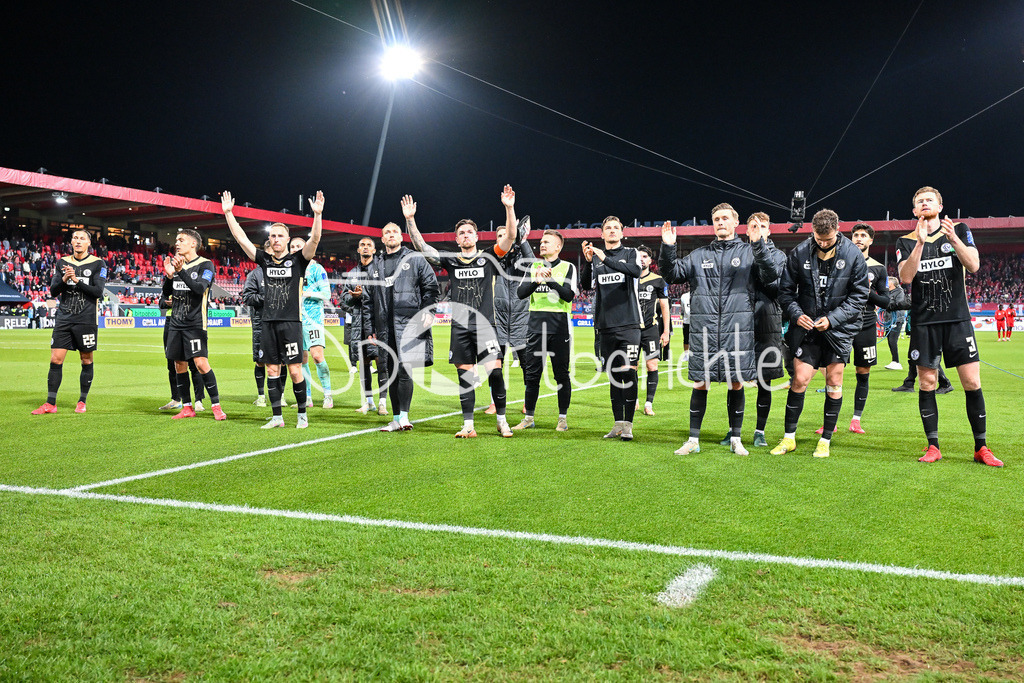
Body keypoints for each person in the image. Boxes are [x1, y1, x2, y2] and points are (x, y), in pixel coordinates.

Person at [659, 205, 780, 456]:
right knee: (700, 383)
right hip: (704, 330)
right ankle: (693, 440)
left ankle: (736, 438)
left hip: (738, 330)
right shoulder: (698, 255)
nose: (720, 222)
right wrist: (668, 248)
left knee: (736, 384)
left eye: (725, 218)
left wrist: (758, 245)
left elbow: (770, 276)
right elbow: (671, 275)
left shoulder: (750, 252)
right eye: (716, 219)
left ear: (736, 222)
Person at [896, 186, 1000, 466]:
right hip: (924, 323)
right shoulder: (905, 241)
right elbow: (905, 278)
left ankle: (981, 447)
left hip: (957, 321)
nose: (925, 203)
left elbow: (974, 265)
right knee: (927, 383)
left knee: (972, 382)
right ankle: (933, 446)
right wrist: (919, 243)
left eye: (930, 199)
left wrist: (953, 239)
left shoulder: (961, 229)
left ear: (940, 206)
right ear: (915, 211)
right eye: (919, 201)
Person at [403, 186, 518, 438]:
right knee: (465, 376)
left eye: (469, 232)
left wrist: (509, 208)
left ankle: (502, 420)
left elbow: (509, 237)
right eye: (461, 233)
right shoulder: (451, 260)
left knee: (495, 372)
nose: (465, 235)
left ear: (477, 237)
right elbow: (422, 247)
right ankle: (468, 425)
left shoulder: (489, 257)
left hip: (486, 325)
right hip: (460, 328)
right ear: (456, 240)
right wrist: (410, 220)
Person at [222, 190, 324, 429]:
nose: (276, 239)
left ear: (287, 239)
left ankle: (301, 415)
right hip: (268, 323)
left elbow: (315, 240)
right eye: (273, 235)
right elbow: (241, 239)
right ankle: (277, 417)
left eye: (280, 235)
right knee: (271, 369)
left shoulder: (299, 260)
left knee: (296, 369)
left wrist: (317, 215)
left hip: (291, 323)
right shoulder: (264, 261)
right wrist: (229, 214)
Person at [771, 209, 868, 458]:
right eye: (818, 238)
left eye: (828, 239)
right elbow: (786, 292)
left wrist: (833, 319)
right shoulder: (800, 251)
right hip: (808, 329)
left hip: (838, 330)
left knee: (834, 382)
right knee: (800, 380)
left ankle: (825, 439)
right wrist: (796, 314)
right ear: (812, 231)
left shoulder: (853, 254)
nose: (823, 243)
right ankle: (789, 438)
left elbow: (859, 296)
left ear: (837, 231)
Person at [360, 221, 440, 432]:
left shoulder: (415, 259)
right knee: (390, 371)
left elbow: (431, 287)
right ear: (382, 238)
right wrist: (369, 330)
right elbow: (367, 301)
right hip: (385, 329)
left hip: (409, 324)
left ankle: (404, 417)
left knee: (405, 370)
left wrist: (429, 311)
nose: (391, 234)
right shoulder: (374, 266)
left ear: (401, 236)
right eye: (387, 232)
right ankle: (396, 418)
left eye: (395, 231)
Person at [718, 212, 787, 448]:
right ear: (745, 230)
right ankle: (732, 430)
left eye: (763, 225)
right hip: (738, 323)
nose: (758, 228)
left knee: (764, 380)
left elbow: (776, 286)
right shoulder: (736, 254)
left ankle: (760, 431)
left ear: (769, 230)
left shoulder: (778, 256)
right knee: (733, 379)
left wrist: (759, 251)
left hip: (767, 323)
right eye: (753, 226)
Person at [32, 229, 107, 414]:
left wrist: (76, 280)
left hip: (86, 319)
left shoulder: (98, 263)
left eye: (82, 238)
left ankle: (82, 401)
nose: (78, 241)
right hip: (64, 318)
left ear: (89, 243)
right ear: (71, 242)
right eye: (75, 238)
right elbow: (53, 291)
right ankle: (50, 403)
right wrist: (65, 280)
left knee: (86, 359)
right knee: (55, 359)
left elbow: (98, 292)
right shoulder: (62, 262)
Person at [581, 216, 643, 440]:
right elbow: (586, 285)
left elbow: (635, 272)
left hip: (629, 324)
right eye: (608, 228)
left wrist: (604, 257)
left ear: (622, 232)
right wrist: (589, 262)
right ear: (601, 234)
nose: (612, 231)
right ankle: (617, 424)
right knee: (614, 375)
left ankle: (629, 425)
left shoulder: (630, 253)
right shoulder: (596, 259)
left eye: (616, 228)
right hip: (605, 326)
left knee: (628, 372)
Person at [513, 229, 578, 431]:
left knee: (561, 375)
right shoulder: (534, 267)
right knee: (532, 375)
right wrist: (536, 280)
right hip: (535, 327)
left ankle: (562, 419)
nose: (542, 245)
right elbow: (520, 293)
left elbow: (569, 295)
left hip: (559, 328)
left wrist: (549, 281)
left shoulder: (568, 268)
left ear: (558, 247)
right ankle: (529, 418)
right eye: (541, 242)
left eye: (547, 242)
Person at [159, 229, 226, 420]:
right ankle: (187, 407)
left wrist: (180, 271)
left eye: (181, 240)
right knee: (179, 364)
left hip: (195, 324)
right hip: (175, 324)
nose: (177, 244)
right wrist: (170, 276)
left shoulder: (206, 265)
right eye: (176, 240)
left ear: (193, 244)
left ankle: (216, 406)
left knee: (201, 363)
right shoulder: (177, 266)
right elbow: (166, 294)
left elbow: (199, 289)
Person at [486, 216, 534, 415]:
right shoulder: (491, 261)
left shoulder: (522, 260)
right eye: (499, 236)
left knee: (526, 365)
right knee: (494, 364)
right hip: (497, 319)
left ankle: (527, 402)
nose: (503, 239)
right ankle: (493, 401)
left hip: (521, 319)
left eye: (507, 235)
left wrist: (522, 241)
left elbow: (532, 263)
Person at [845, 223, 890, 434]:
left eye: (863, 235)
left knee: (863, 372)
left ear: (871, 240)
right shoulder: (841, 262)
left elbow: (886, 301)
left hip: (866, 323)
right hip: (841, 323)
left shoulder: (879, 268)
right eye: (856, 235)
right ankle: (830, 421)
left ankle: (856, 419)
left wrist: (867, 292)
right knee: (833, 372)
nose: (859, 238)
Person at [342, 237, 389, 415]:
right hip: (358, 326)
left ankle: (382, 402)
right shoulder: (352, 274)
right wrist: (354, 298)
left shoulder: (380, 271)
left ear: (374, 250)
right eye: (362, 245)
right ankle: (369, 402)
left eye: (369, 245)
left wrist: (369, 299)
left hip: (376, 324)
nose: (366, 248)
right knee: (364, 364)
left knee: (381, 361)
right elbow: (343, 301)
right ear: (358, 249)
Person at [290, 236, 333, 409]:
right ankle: (307, 397)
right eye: (292, 246)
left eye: (298, 246)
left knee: (317, 356)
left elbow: (327, 294)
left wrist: (306, 294)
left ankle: (328, 395)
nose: (294, 249)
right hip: (294, 320)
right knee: (301, 360)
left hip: (313, 319)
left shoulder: (316, 269)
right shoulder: (290, 268)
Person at [158, 287, 206, 412]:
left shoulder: (191, 280)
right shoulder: (171, 280)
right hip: (171, 321)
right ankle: (176, 399)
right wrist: (167, 303)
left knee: (194, 362)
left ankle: (198, 400)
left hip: (190, 320)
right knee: (171, 362)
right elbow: (161, 302)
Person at [636, 245, 670, 416]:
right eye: (639, 256)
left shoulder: (658, 280)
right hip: (632, 330)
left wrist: (666, 331)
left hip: (650, 329)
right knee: (631, 367)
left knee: (652, 365)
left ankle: (648, 403)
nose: (641, 259)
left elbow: (664, 306)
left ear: (650, 260)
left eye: (645, 256)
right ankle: (633, 399)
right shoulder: (629, 279)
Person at [240, 241, 274, 407]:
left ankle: (280, 396)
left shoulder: (286, 272)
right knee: (260, 361)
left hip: (281, 323)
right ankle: (261, 396)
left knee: (281, 361)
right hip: (261, 324)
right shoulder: (255, 274)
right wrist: (267, 299)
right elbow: (247, 297)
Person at [883, 277, 909, 370]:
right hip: (889, 319)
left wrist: (888, 305)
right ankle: (894, 361)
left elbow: (900, 303)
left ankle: (896, 362)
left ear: (892, 283)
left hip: (897, 319)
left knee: (892, 340)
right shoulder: (888, 292)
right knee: (890, 340)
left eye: (888, 282)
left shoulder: (899, 292)